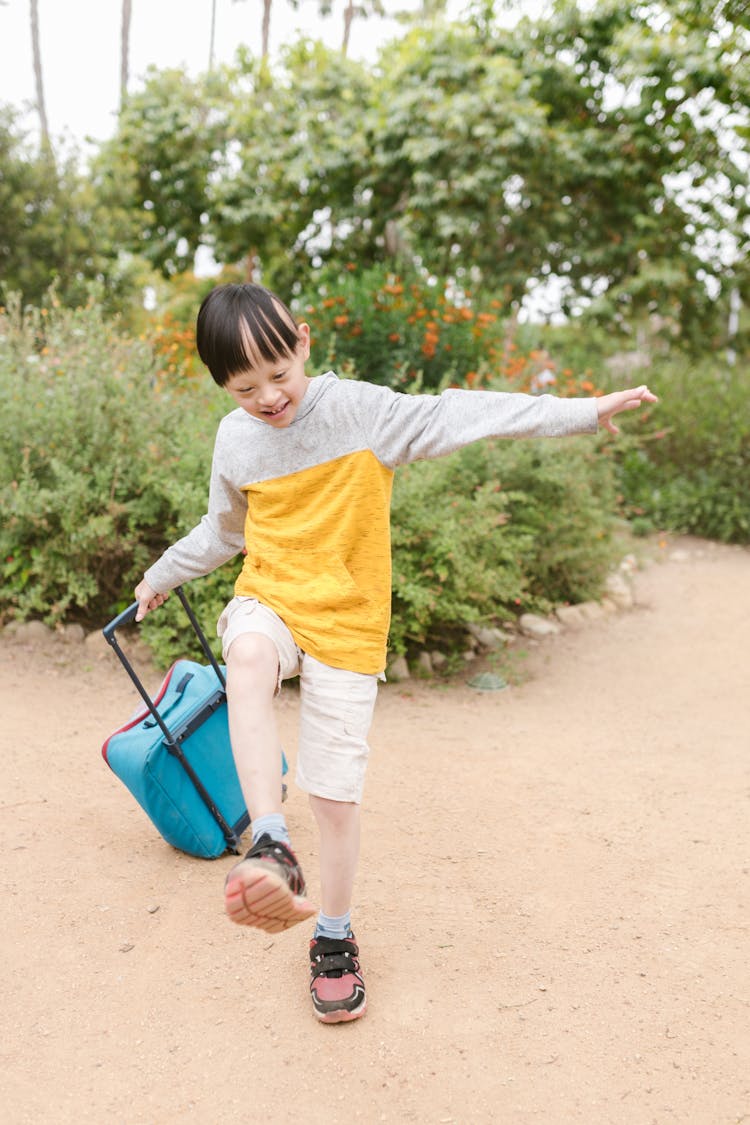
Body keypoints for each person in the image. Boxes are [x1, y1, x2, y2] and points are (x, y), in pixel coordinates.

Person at [134, 282, 657, 1024]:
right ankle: (272, 841)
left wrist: (581, 410)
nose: (269, 397)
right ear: (222, 386)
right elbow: (224, 531)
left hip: (349, 619)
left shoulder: (361, 411)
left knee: (336, 794)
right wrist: (160, 575)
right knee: (247, 659)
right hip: (273, 597)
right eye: (245, 388)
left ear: (304, 342)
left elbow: (460, 414)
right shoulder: (236, 439)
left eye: (279, 375)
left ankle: (334, 934)